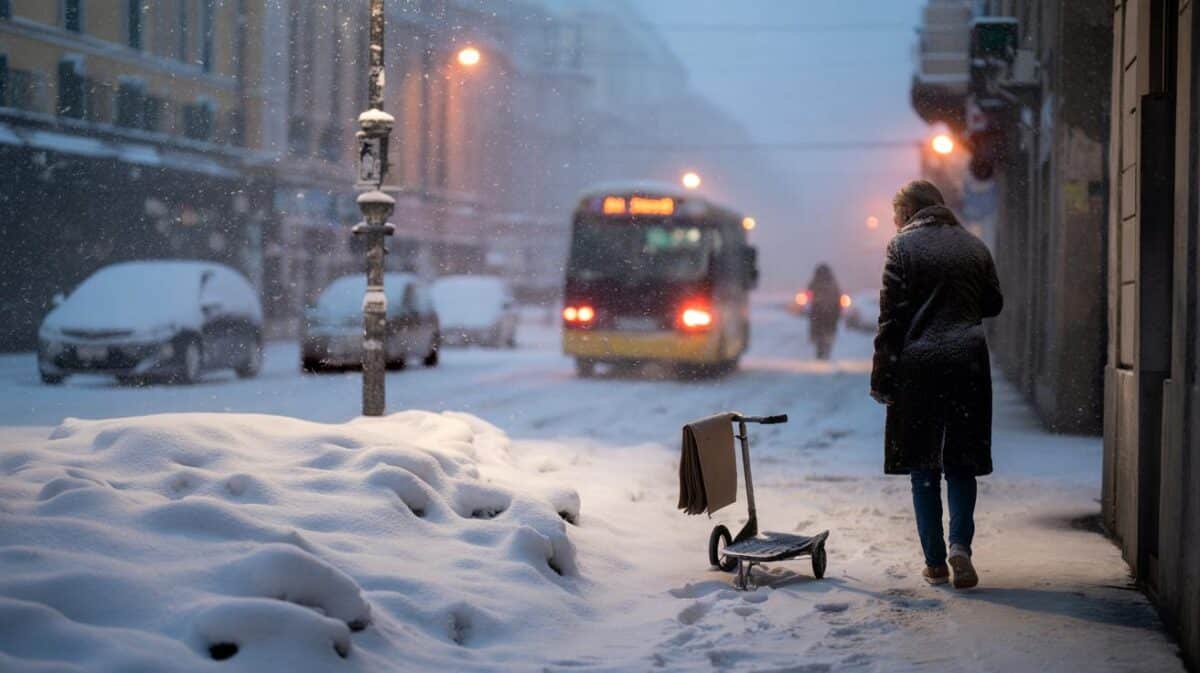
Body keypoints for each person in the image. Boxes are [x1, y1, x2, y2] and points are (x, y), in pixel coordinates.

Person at [870, 180, 1003, 589]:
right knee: (961, 462)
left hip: (920, 367)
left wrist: (882, 376)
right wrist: (958, 302)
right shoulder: (974, 246)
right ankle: (960, 547)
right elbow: (993, 303)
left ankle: (935, 563)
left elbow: (891, 318)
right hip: (967, 364)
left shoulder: (901, 248)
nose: (895, 224)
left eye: (896, 216)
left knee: (923, 464)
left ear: (909, 212)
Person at [806, 263, 842, 360]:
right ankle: (826, 347)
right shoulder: (832, 283)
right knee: (828, 331)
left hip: (818, 312)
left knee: (819, 331)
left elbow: (808, 294)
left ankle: (821, 349)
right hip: (830, 312)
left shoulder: (815, 282)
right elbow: (838, 297)